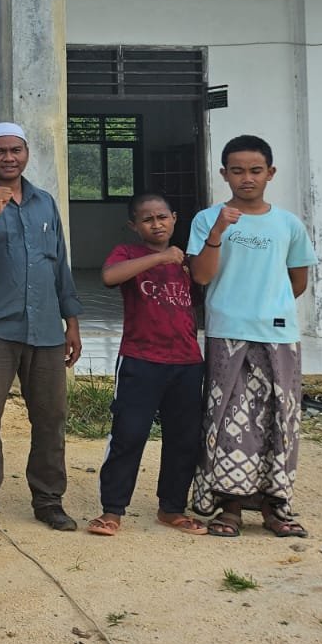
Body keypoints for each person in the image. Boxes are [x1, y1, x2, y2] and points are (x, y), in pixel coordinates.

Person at [0, 122, 83, 536]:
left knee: (51, 418)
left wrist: (71, 322)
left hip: (45, 327)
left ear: (26, 153)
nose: (9, 158)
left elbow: (59, 264)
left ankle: (48, 500)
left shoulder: (45, 203)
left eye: (16, 150)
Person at [188, 135, 317, 539]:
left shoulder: (288, 224)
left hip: (278, 337)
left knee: (280, 418)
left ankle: (273, 506)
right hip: (227, 333)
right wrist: (218, 231)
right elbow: (201, 276)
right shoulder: (207, 219)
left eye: (255, 170)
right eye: (238, 171)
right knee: (227, 418)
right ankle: (229, 506)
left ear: (270, 173)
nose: (247, 178)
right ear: (224, 174)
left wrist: (268, 306)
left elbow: (297, 281)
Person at [86, 192, 206, 538]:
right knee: (130, 433)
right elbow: (110, 277)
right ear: (134, 225)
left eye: (162, 217)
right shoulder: (128, 253)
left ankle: (172, 508)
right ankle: (112, 510)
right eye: (147, 219)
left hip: (186, 361)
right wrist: (161, 258)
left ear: (174, 219)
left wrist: (181, 259)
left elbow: (203, 289)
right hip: (140, 359)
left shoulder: (188, 260)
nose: (157, 224)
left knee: (184, 438)